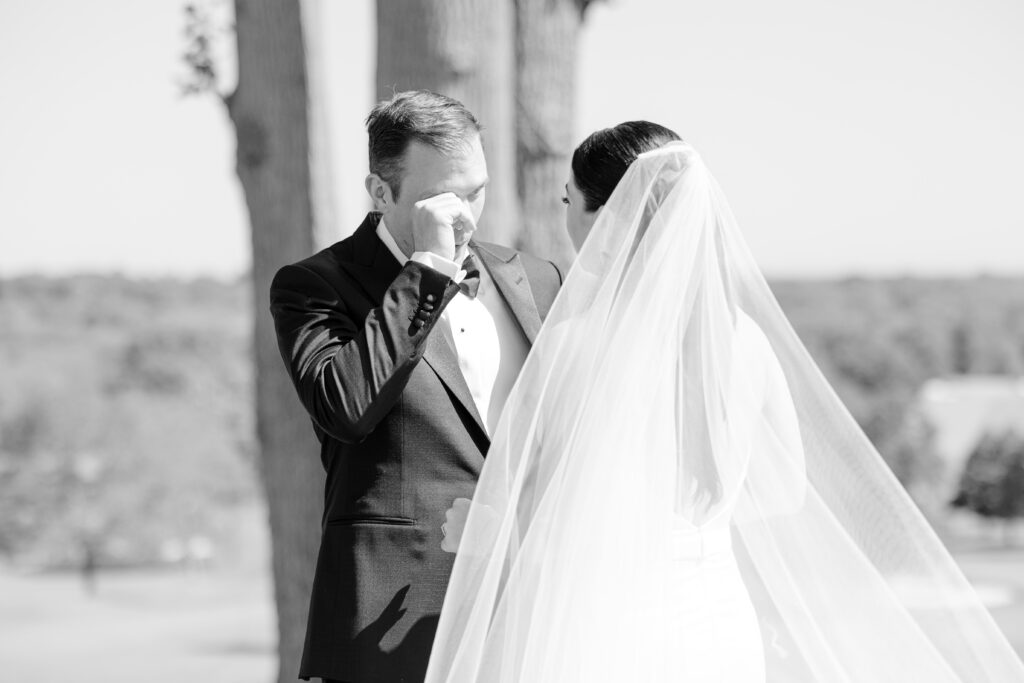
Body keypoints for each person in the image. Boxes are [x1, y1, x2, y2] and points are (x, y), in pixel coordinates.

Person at [425, 123, 1024, 682]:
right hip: (715, 619)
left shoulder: (574, 342)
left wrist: (480, 530)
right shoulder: (744, 341)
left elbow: (539, 502)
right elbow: (785, 488)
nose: (567, 222)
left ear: (609, 216)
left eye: (568, 202)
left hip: (603, 623)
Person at [269, 90, 563, 683]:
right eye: (444, 198)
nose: (466, 218)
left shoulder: (535, 277)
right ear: (381, 192)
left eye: (476, 192)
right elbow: (346, 407)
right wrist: (427, 268)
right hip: (388, 624)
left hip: (528, 608)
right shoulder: (314, 287)